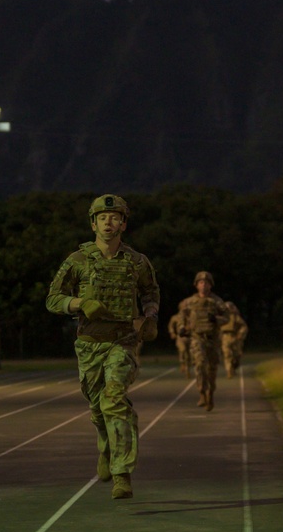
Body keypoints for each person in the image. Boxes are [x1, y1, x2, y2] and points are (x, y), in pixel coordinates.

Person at [46, 194, 159, 500]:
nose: (109, 223)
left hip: (122, 341)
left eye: (115, 217)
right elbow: (53, 298)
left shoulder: (137, 262)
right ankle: (106, 448)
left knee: (115, 399)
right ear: (93, 223)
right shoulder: (77, 261)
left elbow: (151, 292)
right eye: (103, 218)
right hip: (89, 344)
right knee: (97, 409)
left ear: (124, 223)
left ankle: (123, 473)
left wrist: (150, 317)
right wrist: (80, 303)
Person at [178, 271, 229, 411]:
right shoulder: (189, 302)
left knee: (212, 369)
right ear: (196, 285)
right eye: (201, 282)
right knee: (200, 365)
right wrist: (182, 327)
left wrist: (217, 320)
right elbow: (182, 317)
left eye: (206, 283)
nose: (204, 285)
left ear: (210, 285)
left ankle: (210, 393)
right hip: (197, 338)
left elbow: (227, 317)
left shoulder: (217, 301)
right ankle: (202, 392)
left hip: (212, 339)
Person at [220, 299, 249, 377]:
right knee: (227, 354)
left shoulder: (235, 317)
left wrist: (240, 334)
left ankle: (234, 366)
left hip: (235, 337)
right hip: (225, 337)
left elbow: (244, 326)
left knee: (237, 355)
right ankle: (229, 370)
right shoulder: (221, 318)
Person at [168, 306, 190, 377]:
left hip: (189, 337)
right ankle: (182, 363)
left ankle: (187, 368)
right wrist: (172, 333)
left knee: (188, 354)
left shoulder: (190, 317)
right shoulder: (176, 317)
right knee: (182, 350)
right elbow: (171, 325)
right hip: (180, 337)